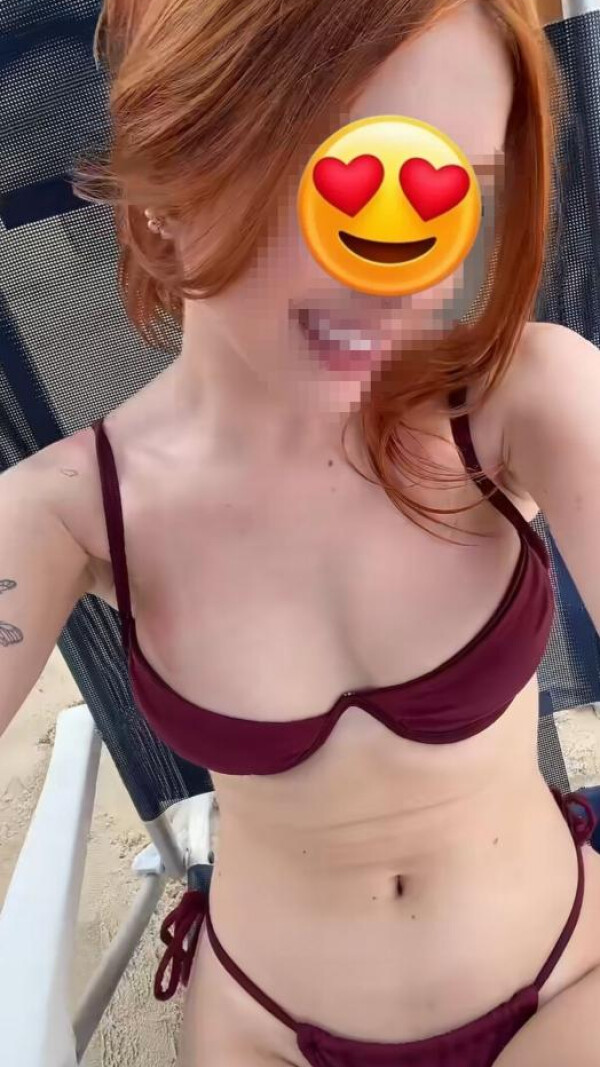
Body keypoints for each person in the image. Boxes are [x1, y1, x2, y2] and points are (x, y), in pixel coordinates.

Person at [2, 0, 600, 1064]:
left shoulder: (525, 399)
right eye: (340, 182)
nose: (401, 268)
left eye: (452, 191)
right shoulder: (66, 511)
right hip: (266, 1030)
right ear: (164, 197)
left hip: (568, 981)